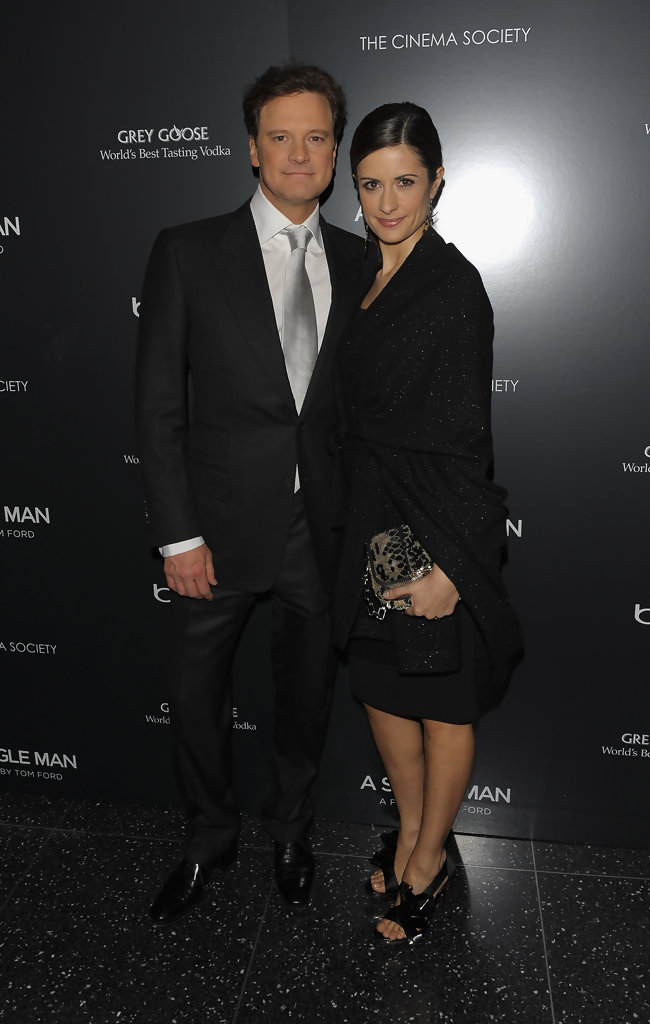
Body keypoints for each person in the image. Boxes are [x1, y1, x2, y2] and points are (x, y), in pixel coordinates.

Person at [135, 63, 364, 925]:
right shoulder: (187, 251)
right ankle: (208, 836)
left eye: (316, 137)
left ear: (334, 153)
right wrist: (178, 535)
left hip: (322, 526)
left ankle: (291, 831)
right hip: (216, 528)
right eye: (281, 136)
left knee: (306, 696)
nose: (299, 153)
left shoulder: (362, 260)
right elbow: (159, 405)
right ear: (252, 149)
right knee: (196, 695)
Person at [333, 102, 522, 947]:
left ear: (437, 181)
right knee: (382, 693)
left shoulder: (453, 287)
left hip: (430, 523)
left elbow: (471, 439)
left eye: (405, 182)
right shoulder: (355, 276)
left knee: (442, 707)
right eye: (370, 184)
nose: (387, 202)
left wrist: (454, 563)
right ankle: (411, 830)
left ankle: (431, 858)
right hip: (365, 523)